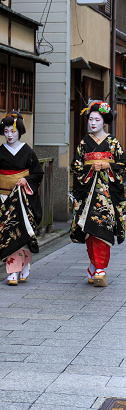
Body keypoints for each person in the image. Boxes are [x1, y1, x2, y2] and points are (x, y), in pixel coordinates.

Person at [0, 111, 43, 285]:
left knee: (22, 231)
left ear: (20, 131)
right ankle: (12, 270)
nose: (9, 135)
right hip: (3, 197)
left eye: (13, 131)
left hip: (22, 198)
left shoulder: (28, 152)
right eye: (6, 131)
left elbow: (38, 173)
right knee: (7, 232)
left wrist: (26, 180)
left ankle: (24, 264)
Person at [70, 100, 126, 287]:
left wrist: (107, 165)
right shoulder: (84, 143)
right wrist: (90, 168)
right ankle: (95, 265)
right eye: (90, 119)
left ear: (104, 122)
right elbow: (76, 167)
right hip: (88, 194)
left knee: (103, 228)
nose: (93, 123)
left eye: (97, 119)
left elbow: (123, 165)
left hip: (107, 195)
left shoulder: (113, 142)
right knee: (89, 231)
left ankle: (100, 268)